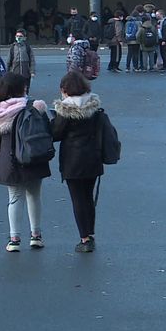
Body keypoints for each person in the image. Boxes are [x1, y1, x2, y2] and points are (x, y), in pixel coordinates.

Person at [0, 72, 51, 252]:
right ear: (22, 89)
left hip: (10, 159)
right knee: (34, 196)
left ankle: (14, 239)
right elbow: (46, 131)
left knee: (14, 198)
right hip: (33, 157)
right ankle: (36, 235)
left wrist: (5, 150)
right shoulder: (34, 107)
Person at [51, 71, 104, 253]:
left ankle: (85, 238)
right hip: (93, 157)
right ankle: (90, 232)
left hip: (73, 159)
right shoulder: (94, 106)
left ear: (65, 90)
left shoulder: (65, 110)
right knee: (88, 196)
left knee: (77, 199)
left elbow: (56, 134)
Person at [7, 28, 36, 95]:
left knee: (25, 90)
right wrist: (7, 72)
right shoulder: (12, 47)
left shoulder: (27, 47)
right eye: (17, 36)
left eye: (20, 36)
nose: (18, 38)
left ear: (24, 38)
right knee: (15, 90)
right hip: (15, 73)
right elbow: (9, 61)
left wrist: (32, 72)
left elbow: (32, 61)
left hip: (25, 74)